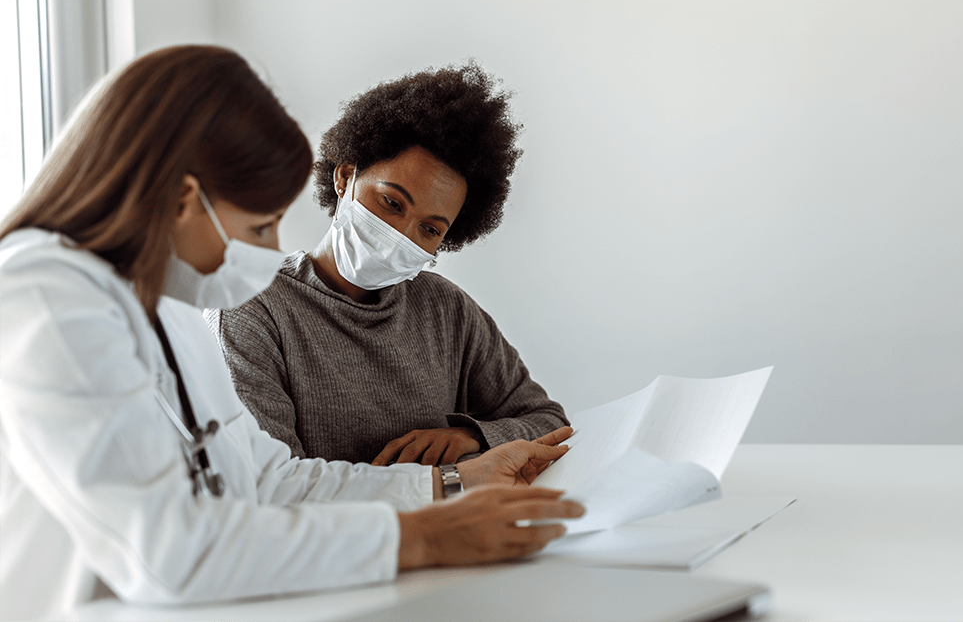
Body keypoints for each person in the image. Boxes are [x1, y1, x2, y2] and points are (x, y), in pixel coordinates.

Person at [0, 46, 583, 622]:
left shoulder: (167, 305)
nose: (270, 251)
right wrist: (419, 538)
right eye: (259, 225)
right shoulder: (49, 299)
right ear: (182, 200)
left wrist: (450, 482)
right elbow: (168, 554)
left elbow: (268, 480)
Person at [209, 63, 569, 467]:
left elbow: (549, 422)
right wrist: (443, 483)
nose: (401, 234)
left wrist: (472, 436)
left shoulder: (447, 311)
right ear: (345, 177)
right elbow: (270, 487)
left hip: (454, 529)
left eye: (430, 229)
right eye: (392, 203)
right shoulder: (250, 307)